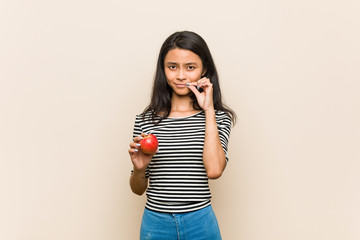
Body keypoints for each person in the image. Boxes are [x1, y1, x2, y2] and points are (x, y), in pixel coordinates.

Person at [128, 31, 236, 240]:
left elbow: (214, 170)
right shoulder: (145, 121)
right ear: (163, 69)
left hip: (200, 221)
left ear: (204, 69)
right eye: (172, 67)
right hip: (155, 223)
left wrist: (209, 110)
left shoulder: (218, 118)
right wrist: (139, 169)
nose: (180, 76)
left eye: (190, 67)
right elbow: (138, 189)